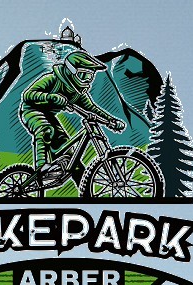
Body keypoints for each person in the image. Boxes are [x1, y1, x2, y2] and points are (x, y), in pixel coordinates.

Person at [16, 25, 121, 190]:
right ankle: (41, 167)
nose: (87, 81)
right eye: (83, 75)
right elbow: (28, 95)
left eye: (90, 77)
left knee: (71, 157)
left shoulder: (78, 92)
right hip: (32, 110)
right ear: (71, 71)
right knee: (45, 129)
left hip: (49, 115)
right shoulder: (52, 79)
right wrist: (53, 97)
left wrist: (110, 120)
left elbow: (91, 107)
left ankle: (85, 190)